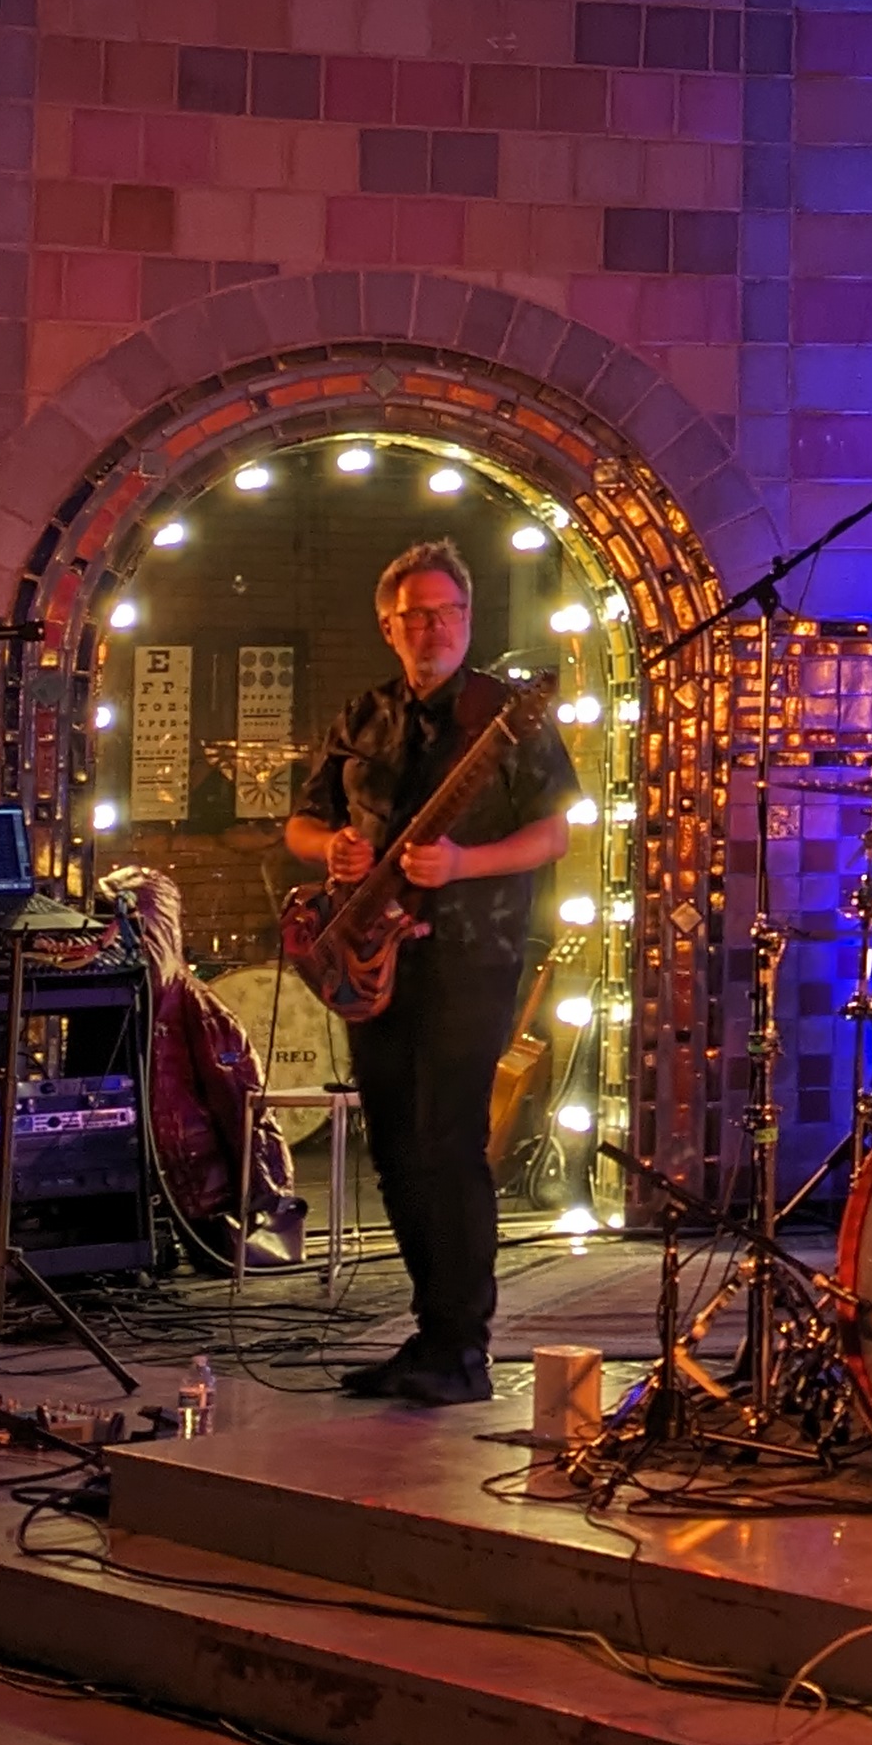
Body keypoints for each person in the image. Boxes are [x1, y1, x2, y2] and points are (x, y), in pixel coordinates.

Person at [284, 535, 579, 1408]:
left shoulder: (506, 716)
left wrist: (462, 865)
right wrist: (332, 847)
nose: (434, 628)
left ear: (469, 619)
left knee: (448, 1141)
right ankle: (429, 1333)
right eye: (416, 615)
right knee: (395, 1146)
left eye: (448, 612)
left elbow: (554, 834)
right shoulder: (364, 716)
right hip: (373, 960)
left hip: (471, 954)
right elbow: (301, 821)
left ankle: (463, 1348)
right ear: (389, 625)